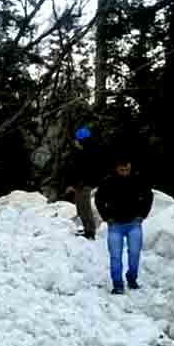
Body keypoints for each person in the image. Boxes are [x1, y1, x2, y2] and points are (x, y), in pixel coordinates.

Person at [94, 154, 153, 295]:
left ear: (130, 167)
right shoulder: (108, 182)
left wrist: (142, 215)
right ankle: (118, 284)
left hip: (134, 223)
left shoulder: (138, 180)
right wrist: (106, 217)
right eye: (122, 170)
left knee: (134, 253)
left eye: (127, 169)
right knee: (115, 255)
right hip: (115, 226)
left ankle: (132, 279)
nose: (125, 172)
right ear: (117, 169)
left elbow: (148, 196)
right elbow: (99, 199)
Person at [68, 126, 101, 240]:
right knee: (81, 206)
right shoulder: (86, 150)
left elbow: (84, 169)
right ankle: (88, 229)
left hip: (84, 183)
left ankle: (90, 231)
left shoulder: (86, 152)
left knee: (84, 207)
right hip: (82, 183)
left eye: (77, 139)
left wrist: (80, 182)